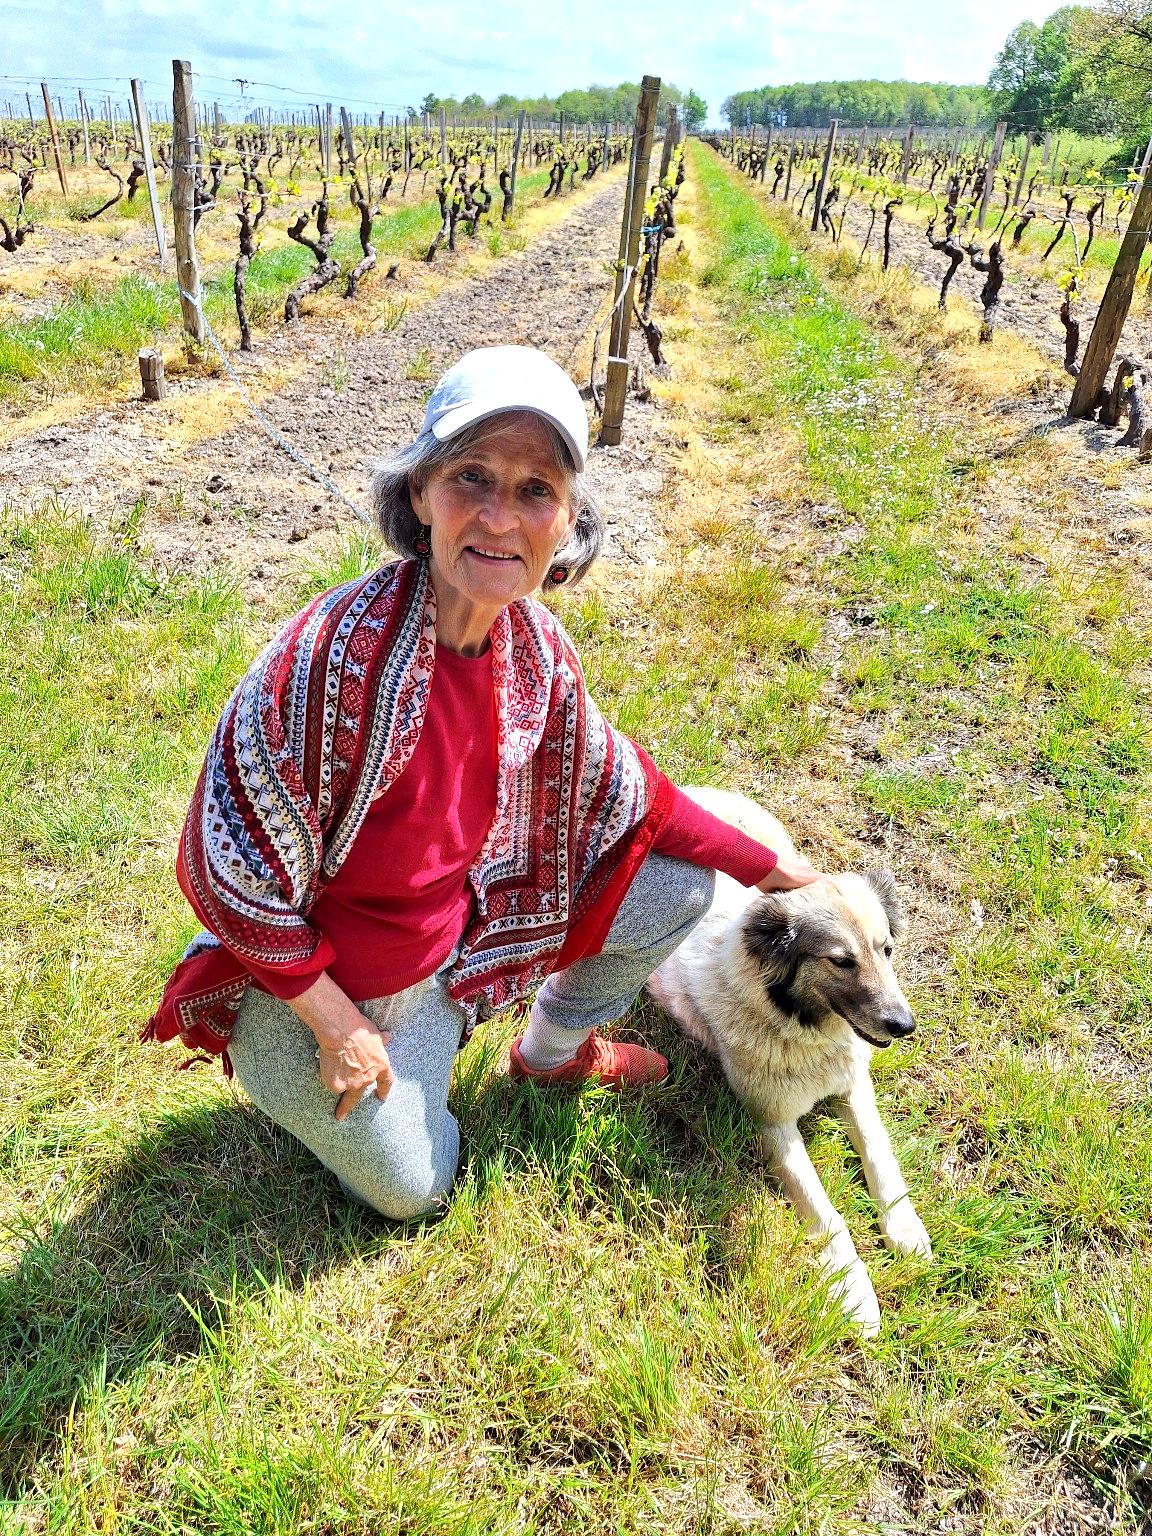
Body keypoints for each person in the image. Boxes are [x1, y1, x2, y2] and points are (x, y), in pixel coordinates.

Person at [146, 345, 821, 1220]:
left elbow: (634, 795)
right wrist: (337, 1026)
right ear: (421, 495)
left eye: (536, 489)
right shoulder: (328, 661)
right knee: (415, 1193)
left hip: (453, 958)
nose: (501, 517)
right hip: (320, 991)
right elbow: (219, 869)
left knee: (677, 887)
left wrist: (775, 871)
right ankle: (345, 1075)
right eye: (472, 476)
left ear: (568, 522)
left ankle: (550, 1052)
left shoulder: (535, 654)